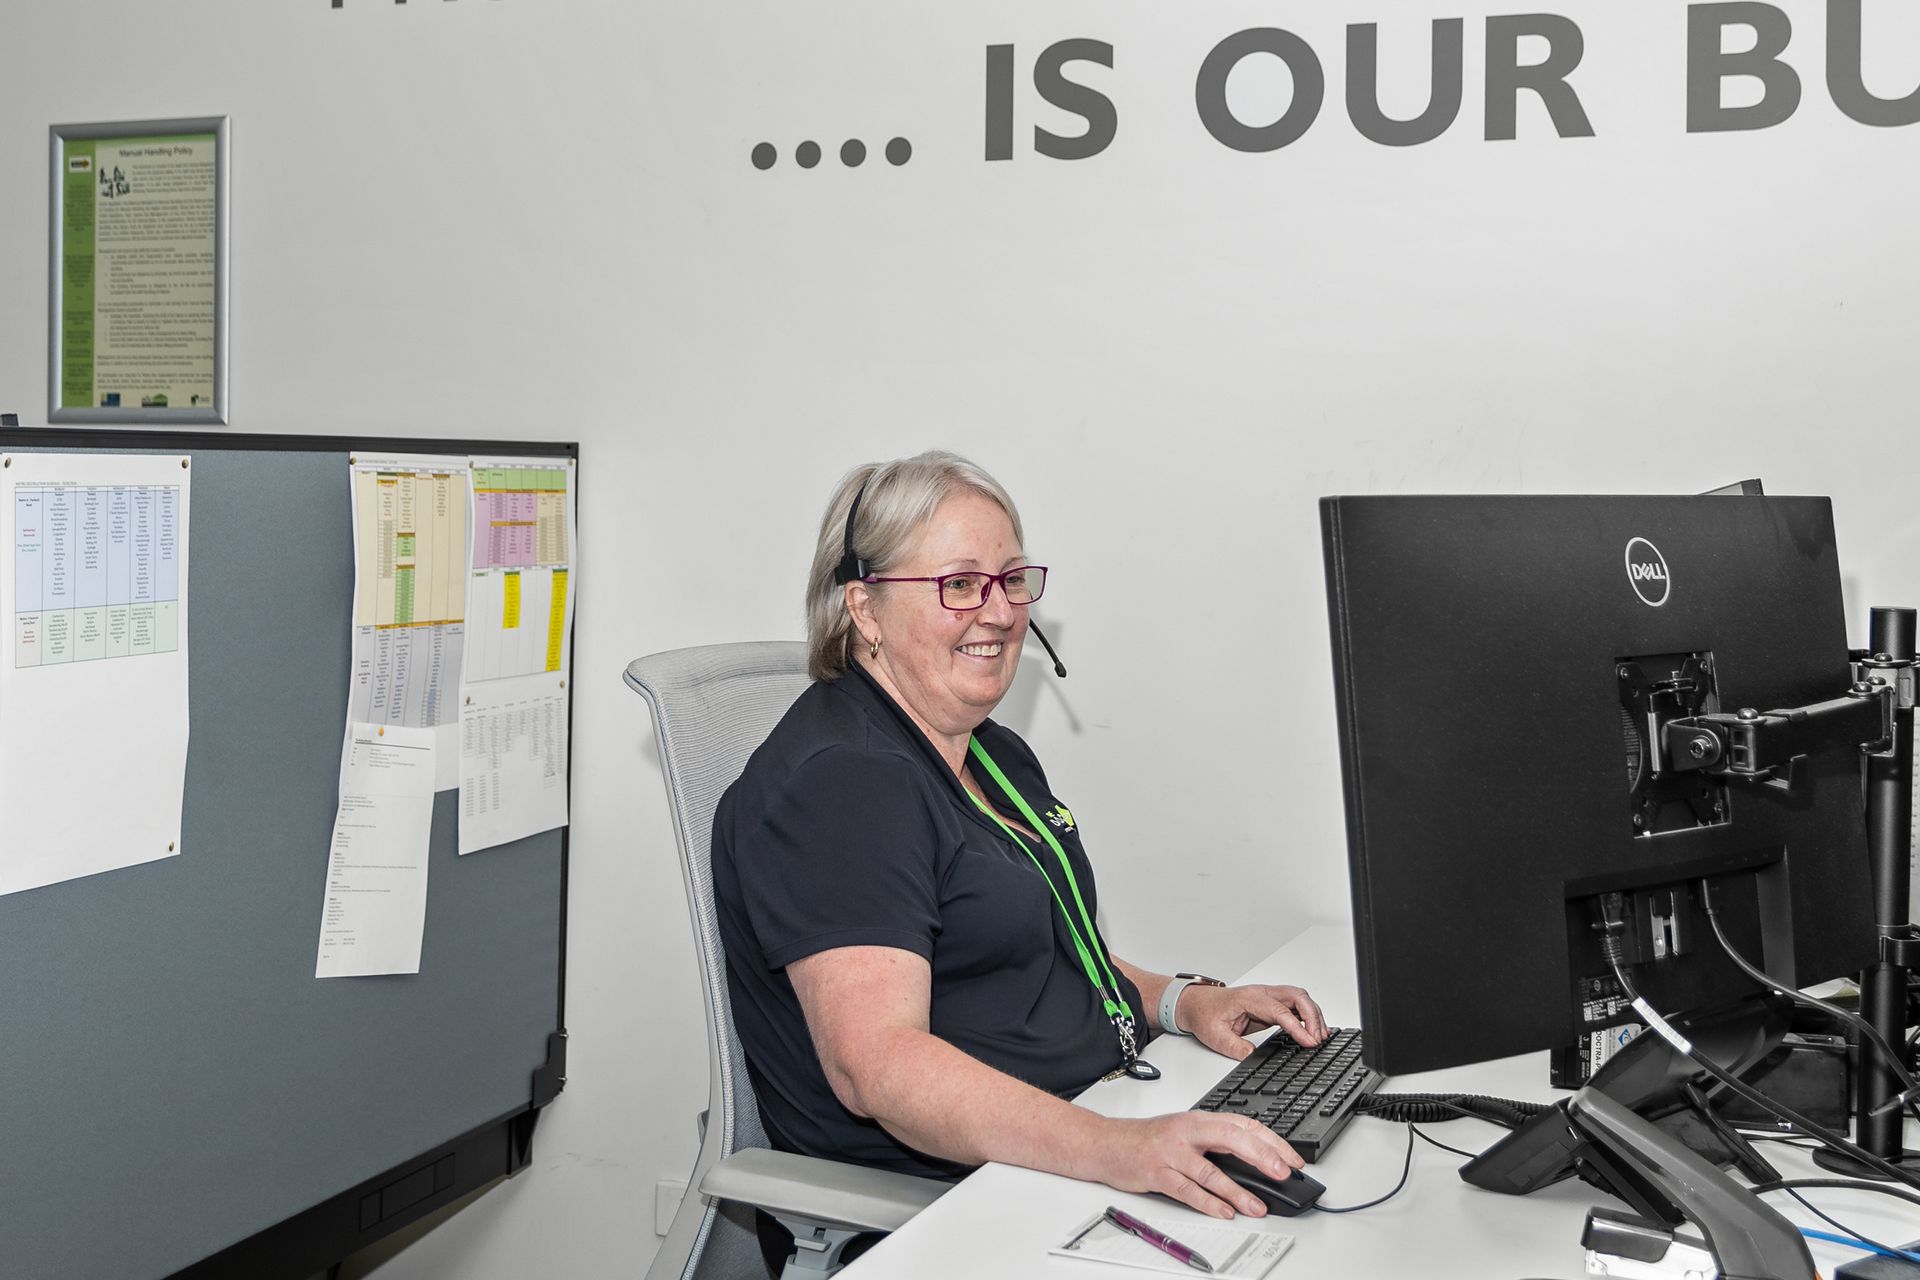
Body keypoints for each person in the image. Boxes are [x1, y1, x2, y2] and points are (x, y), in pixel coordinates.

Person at [711, 450, 1326, 1261]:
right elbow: (880, 1067)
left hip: (1079, 1129)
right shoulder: (845, 787)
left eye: (1010, 581)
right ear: (863, 607)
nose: (997, 612)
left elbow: (1045, 951)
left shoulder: (987, 751)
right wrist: (1122, 1151)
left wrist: (1180, 1002)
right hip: (968, 1200)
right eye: (958, 585)